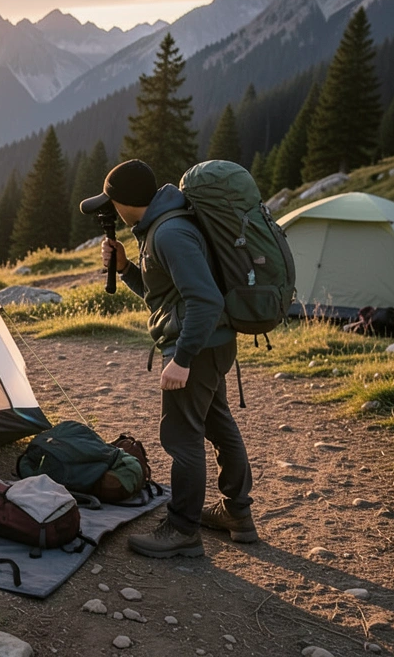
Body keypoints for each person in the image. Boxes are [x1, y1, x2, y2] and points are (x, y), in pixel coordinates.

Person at [82, 159, 256, 558]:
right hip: (210, 342)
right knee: (217, 423)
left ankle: (182, 530)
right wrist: (126, 268)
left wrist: (183, 358)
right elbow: (165, 297)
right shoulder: (161, 225)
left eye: (112, 203)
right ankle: (237, 515)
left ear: (125, 202)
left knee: (181, 436)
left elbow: (205, 301)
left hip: (197, 346)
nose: (112, 212)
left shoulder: (170, 233)